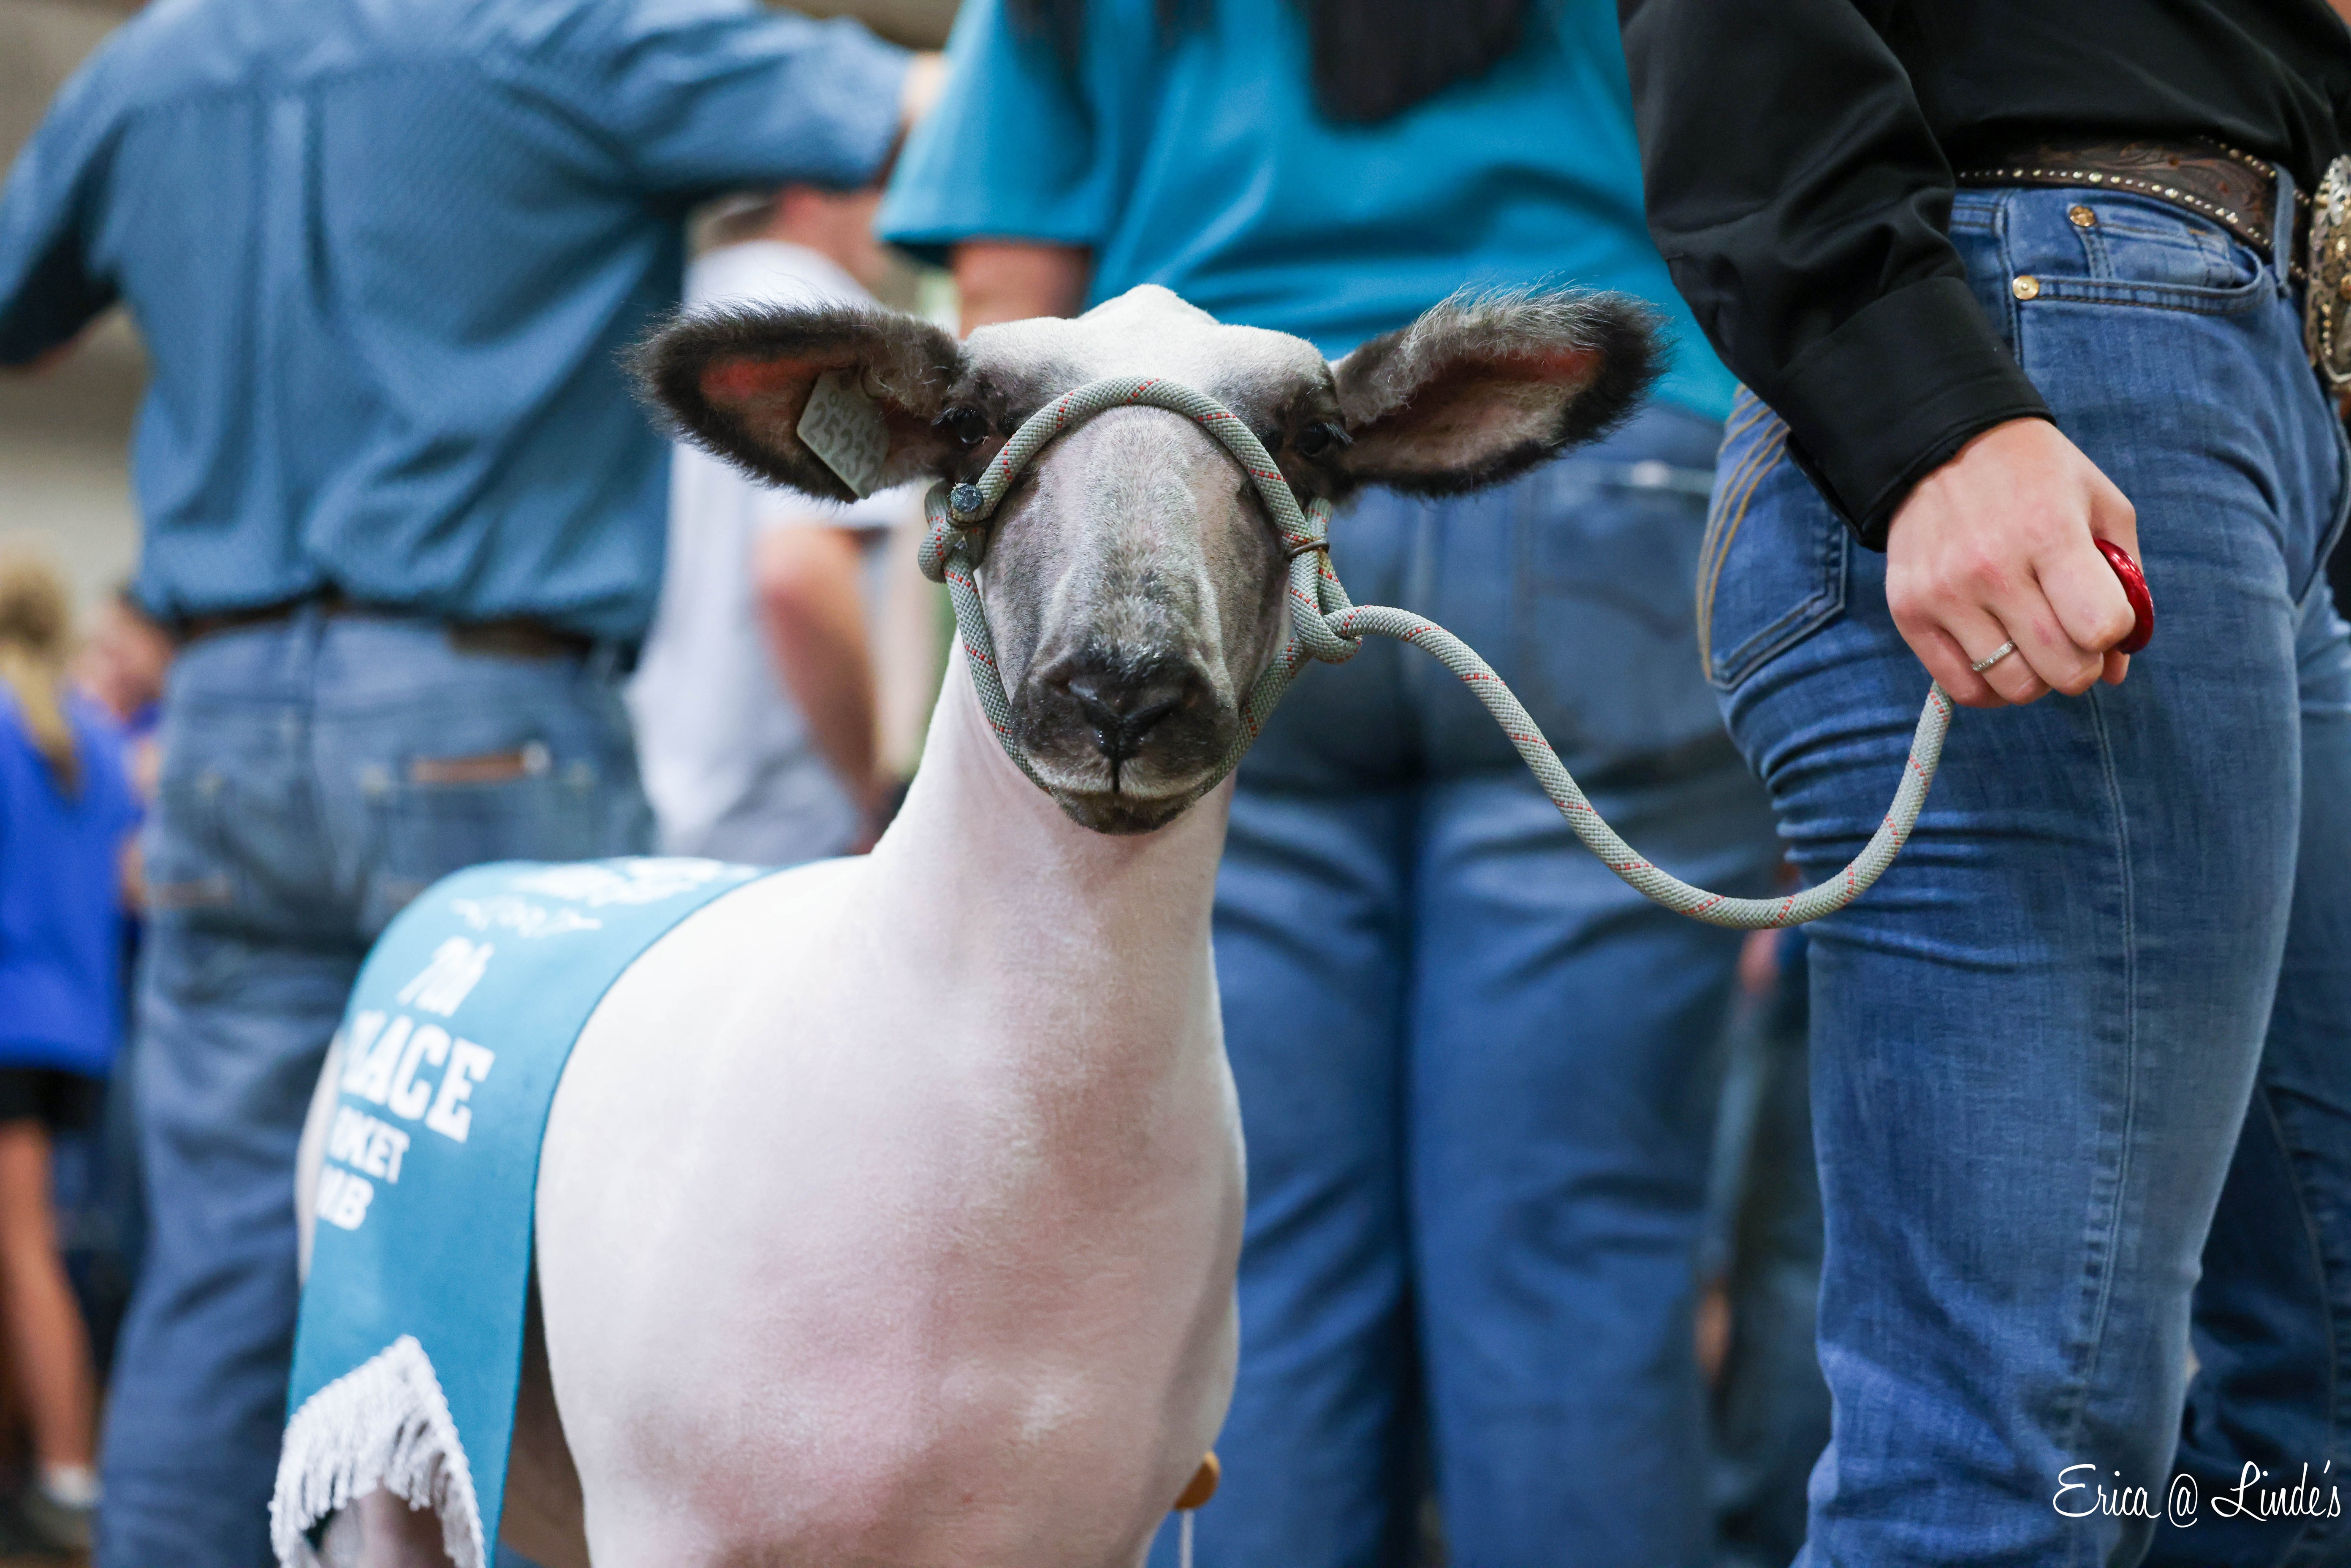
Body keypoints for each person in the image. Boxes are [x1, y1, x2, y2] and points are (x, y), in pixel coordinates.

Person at [0, 4, 930, 1561]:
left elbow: (20, 309)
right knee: (536, 1272)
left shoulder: (150, 65)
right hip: (487, 723)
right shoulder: (562, 34)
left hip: (223, 720)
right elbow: (918, 108)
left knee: (220, 1271)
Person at [878, 3, 1782, 1562]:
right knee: (1575, 1241)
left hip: (1196, 527)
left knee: (1262, 1241)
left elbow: (1005, 314)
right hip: (1601, 459)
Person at [1620, 2, 2351, 1562]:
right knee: (2003, 1458)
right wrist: (1920, 403)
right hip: (2043, 340)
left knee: (2309, 1414)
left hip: (2240, 376)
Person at [629, 184, 910, 866]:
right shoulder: (823, 324)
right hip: (778, 825)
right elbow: (797, 572)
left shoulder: (666, 313)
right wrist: (874, 791)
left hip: (645, 798)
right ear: (808, 194)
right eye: (880, 187)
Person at [0, 548, 140, 1551]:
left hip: (8, 1017)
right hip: (79, 1032)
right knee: (28, 1248)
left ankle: (65, 1475)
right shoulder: (96, 738)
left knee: (24, 1252)